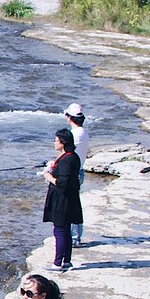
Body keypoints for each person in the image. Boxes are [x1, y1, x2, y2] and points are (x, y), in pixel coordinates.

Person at [42, 127, 83, 272]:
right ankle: (67, 261)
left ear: (63, 143)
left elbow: (63, 183)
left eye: (56, 141)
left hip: (62, 201)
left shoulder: (67, 160)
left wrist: (49, 176)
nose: (54, 143)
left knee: (60, 230)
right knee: (65, 230)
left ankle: (58, 263)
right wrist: (54, 166)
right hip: (69, 200)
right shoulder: (72, 156)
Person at [63, 103, 89, 246]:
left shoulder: (73, 135)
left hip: (72, 173)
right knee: (74, 204)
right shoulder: (83, 132)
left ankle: (73, 238)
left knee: (70, 206)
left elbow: (67, 156)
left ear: (68, 117)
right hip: (79, 171)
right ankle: (75, 237)